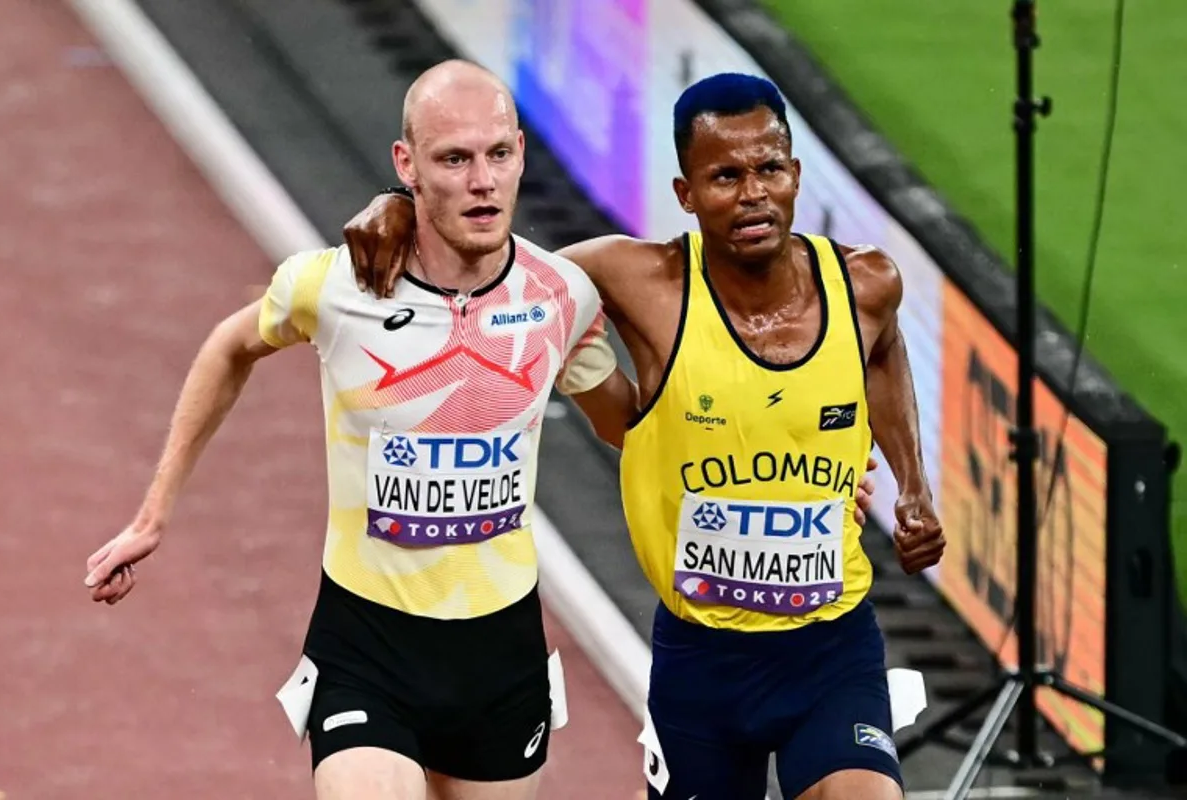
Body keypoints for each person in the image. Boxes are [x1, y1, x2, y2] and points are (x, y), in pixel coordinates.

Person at [343, 71, 945, 800]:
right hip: (702, 660)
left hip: (829, 644)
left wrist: (912, 485)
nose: (753, 193)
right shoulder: (639, 282)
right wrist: (398, 210)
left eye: (769, 169)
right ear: (686, 195)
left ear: (794, 173)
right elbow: (500, 271)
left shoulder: (866, 285)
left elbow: (881, 352)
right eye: (725, 176)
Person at [81, 60, 640, 800]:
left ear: (521, 156)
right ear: (407, 164)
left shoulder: (560, 298)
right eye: (454, 158)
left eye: (498, 154)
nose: (482, 180)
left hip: (500, 651)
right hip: (369, 642)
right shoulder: (339, 286)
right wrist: (153, 514)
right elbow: (230, 346)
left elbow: (630, 428)